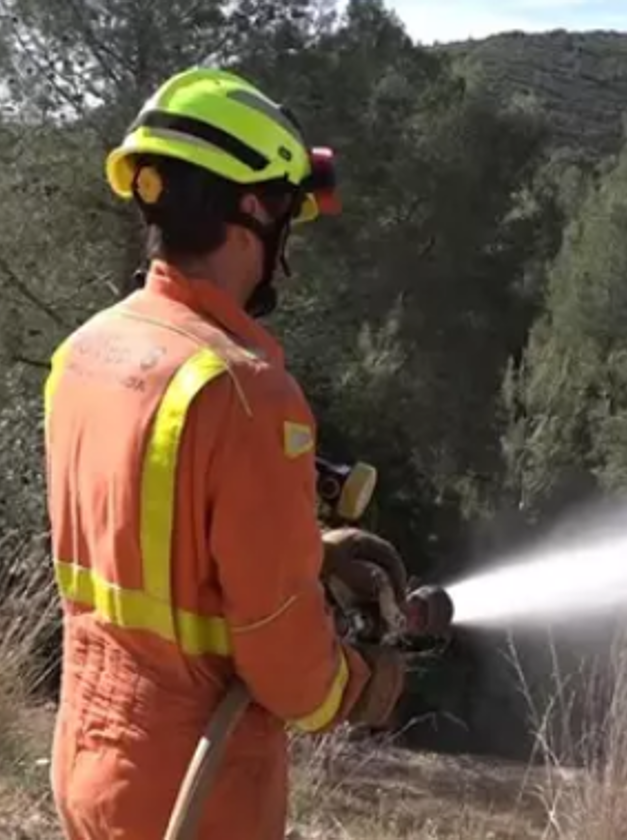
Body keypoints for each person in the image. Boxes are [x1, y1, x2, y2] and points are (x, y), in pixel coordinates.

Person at [42, 67, 410, 840]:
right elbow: (284, 662)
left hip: (88, 758)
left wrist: (301, 550)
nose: (287, 246)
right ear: (254, 208)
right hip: (198, 793)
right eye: (289, 214)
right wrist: (353, 685)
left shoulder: (85, 352)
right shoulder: (245, 392)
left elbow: (156, 554)